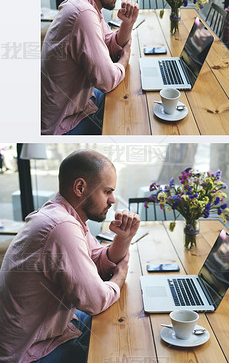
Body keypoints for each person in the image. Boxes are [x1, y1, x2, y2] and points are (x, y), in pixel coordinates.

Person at [0, 150, 140, 363]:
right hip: (29, 352)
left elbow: (99, 264)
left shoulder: (66, 216)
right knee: (121, 348)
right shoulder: (61, 227)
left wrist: (123, 238)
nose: (112, 200)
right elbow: (95, 301)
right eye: (107, 191)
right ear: (80, 187)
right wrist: (119, 278)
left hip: (49, 330)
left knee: (120, 324)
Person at [41, 0, 139, 135]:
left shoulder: (86, 5)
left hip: (76, 106)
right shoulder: (83, 14)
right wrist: (125, 58)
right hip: (63, 125)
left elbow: (110, 47)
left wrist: (127, 24)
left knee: (128, 95)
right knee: (130, 116)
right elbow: (107, 80)